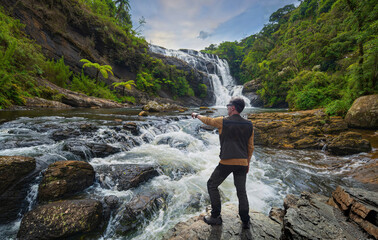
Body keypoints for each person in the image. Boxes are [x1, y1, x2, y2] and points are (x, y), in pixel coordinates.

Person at [191, 97, 254, 229]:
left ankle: (215, 217)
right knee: (241, 192)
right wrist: (247, 163)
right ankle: (245, 221)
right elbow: (250, 147)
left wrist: (196, 115)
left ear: (233, 108)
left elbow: (208, 120)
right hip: (242, 162)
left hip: (227, 161)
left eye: (228, 105)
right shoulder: (249, 124)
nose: (226, 107)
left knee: (212, 184)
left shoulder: (223, 121)